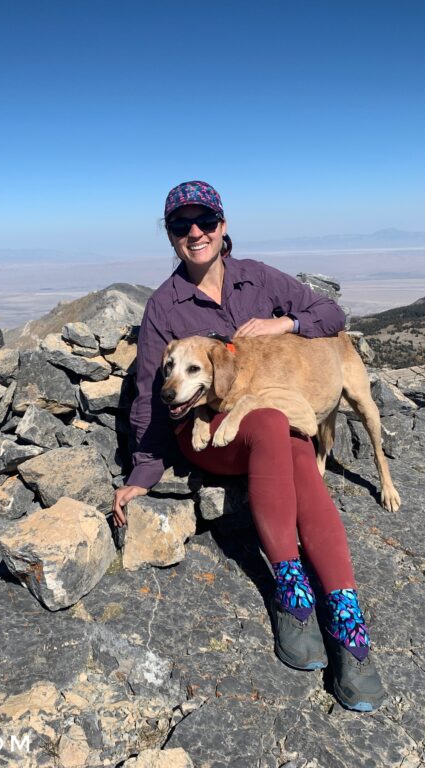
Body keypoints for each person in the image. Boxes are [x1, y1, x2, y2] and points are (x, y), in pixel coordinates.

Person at [111, 180, 385, 711]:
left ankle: (346, 618)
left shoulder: (258, 279)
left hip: (269, 429)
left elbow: (332, 316)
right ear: (169, 236)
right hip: (209, 437)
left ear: (223, 225)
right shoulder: (165, 307)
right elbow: (149, 395)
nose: (195, 233)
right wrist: (141, 476)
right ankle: (291, 588)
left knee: (293, 440)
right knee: (268, 421)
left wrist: (287, 321)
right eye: (180, 225)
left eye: (205, 222)